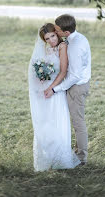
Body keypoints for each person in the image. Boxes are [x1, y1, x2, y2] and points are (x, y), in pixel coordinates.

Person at [28, 23, 80, 171]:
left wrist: (51, 88)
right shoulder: (46, 48)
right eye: (47, 38)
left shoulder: (62, 47)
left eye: (52, 36)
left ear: (56, 34)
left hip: (56, 90)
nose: (51, 40)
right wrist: (41, 78)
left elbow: (62, 71)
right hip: (44, 91)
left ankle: (60, 159)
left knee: (57, 121)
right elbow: (41, 67)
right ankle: (46, 157)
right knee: (45, 122)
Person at [44, 14, 91, 166]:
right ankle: (77, 154)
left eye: (57, 30)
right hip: (74, 84)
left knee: (78, 122)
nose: (56, 32)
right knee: (76, 121)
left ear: (66, 32)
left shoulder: (75, 46)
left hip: (77, 86)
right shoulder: (76, 38)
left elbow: (75, 76)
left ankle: (82, 158)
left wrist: (56, 89)